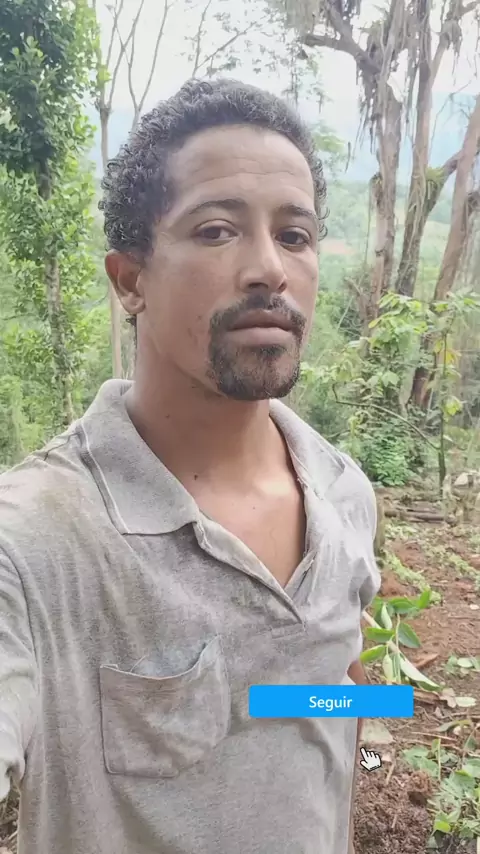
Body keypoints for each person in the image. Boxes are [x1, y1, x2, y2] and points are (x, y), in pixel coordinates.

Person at [0, 78, 380, 854]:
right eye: (216, 231)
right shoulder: (35, 542)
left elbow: (307, 702)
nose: (269, 268)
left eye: (296, 235)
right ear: (130, 280)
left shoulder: (345, 493)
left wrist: (360, 712)